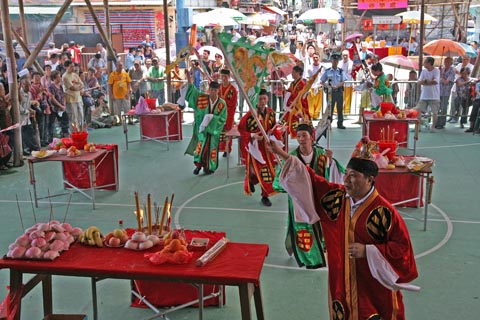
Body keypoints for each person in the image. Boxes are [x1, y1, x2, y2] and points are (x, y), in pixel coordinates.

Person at [268, 138, 419, 320]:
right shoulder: (337, 198)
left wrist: (369, 251)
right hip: (341, 279)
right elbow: (310, 179)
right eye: (346, 174)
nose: (346, 180)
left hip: (371, 286)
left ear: (370, 180)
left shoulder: (384, 212)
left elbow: (403, 251)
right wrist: (281, 153)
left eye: (353, 175)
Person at [273, 123, 344, 268]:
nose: (301, 139)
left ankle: (322, 247)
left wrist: (331, 162)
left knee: (320, 223)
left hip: (318, 197)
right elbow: (278, 182)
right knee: (302, 227)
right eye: (298, 136)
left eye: (304, 135)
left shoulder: (322, 155)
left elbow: (336, 175)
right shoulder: (291, 157)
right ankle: (306, 257)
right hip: (298, 201)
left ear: (312, 137)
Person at [238, 89, 277, 207]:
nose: (262, 101)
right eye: (260, 99)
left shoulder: (271, 113)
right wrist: (252, 136)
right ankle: (258, 190)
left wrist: (272, 131)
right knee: (260, 171)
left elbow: (274, 127)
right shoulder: (250, 115)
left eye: (264, 99)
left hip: (267, 148)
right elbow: (241, 129)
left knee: (267, 171)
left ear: (268, 99)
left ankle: (261, 192)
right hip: (255, 149)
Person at [184, 72, 227, 175]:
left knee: (211, 149)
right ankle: (198, 166)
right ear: (209, 90)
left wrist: (213, 120)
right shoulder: (202, 98)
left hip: (213, 131)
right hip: (202, 129)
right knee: (201, 148)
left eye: (215, 90)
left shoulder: (222, 103)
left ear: (218, 91)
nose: (213, 92)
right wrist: (189, 78)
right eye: (211, 90)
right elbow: (193, 91)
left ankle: (209, 167)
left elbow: (223, 118)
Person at [320, 53, 347, 129]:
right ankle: (328, 124)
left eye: (336, 61)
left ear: (338, 62)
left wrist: (337, 86)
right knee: (329, 109)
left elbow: (343, 81)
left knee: (339, 108)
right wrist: (328, 86)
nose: (335, 62)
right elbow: (322, 81)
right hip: (330, 92)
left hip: (338, 92)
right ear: (331, 61)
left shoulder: (341, 71)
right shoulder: (327, 71)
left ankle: (340, 123)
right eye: (334, 61)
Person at [414, 56, 440, 132]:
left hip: (434, 96)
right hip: (424, 95)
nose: (424, 63)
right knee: (418, 110)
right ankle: (418, 127)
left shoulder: (436, 71)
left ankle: (433, 127)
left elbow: (435, 81)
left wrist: (425, 82)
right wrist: (426, 82)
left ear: (429, 63)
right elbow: (419, 82)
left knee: (434, 112)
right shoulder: (424, 71)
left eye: (425, 62)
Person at [283, 65, 308, 138]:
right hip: (291, 107)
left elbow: (298, 96)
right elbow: (290, 91)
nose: (292, 74)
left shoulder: (302, 84)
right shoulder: (292, 83)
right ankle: (284, 138)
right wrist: (286, 91)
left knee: (301, 126)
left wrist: (290, 95)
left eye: (293, 72)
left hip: (299, 108)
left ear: (298, 73)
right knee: (287, 123)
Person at [218, 69, 238, 157]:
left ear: (229, 77)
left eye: (225, 77)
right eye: (222, 76)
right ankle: (219, 147)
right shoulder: (218, 87)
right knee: (219, 130)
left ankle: (227, 149)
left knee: (228, 131)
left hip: (228, 114)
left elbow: (233, 104)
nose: (223, 78)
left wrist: (224, 107)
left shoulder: (232, 89)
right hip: (218, 113)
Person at [62, 60, 84, 132]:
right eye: (71, 66)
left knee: (81, 116)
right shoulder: (65, 77)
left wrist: (77, 86)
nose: (73, 68)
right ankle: (74, 133)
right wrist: (77, 86)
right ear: (66, 67)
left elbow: (82, 84)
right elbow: (72, 88)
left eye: (73, 66)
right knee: (73, 118)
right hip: (70, 99)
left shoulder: (75, 75)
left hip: (78, 98)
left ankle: (81, 132)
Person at [48, 70, 70, 138]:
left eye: (60, 76)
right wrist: (60, 105)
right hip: (55, 108)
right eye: (58, 77)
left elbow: (63, 96)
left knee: (65, 122)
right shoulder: (51, 86)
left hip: (62, 107)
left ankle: (65, 135)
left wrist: (64, 104)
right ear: (54, 78)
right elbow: (52, 98)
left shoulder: (60, 86)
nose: (60, 78)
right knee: (52, 123)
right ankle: (51, 138)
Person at [437, 57, 455, 129]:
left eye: (448, 62)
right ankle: (437, 122)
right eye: (445, 62)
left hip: (446, 92)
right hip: (439, 91)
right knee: (438, 107)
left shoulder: (452, 71)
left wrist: (441, 76)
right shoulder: (442, 69)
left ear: (451, 63)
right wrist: (439, 72)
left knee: (443, 108)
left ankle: (442, 123)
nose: (446, 63)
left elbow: (446, 82)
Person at [339, 50, 354, 115]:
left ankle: (346, 112)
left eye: (346, 55)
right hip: (340, 83)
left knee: (348, 98)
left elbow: (352, 72)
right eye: (343, 55)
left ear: (349, 55)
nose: (345, 57)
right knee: (340, 98)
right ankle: (338, 111)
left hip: (348, 82)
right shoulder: (340, 62)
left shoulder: (351, 63)